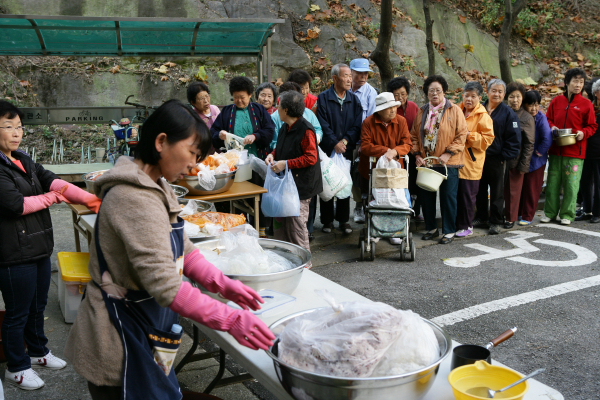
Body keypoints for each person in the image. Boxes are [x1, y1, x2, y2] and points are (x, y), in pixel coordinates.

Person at [65, 100, 274, 399]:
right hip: (117, 342)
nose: (194, 165)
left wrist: (223, 284)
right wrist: (230, 319)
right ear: (161, 142)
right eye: (192, 152)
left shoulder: (156, 185)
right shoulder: (131, 197)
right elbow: (166, 286)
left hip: (143, 329)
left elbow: (184, 248)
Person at [0, 100, 102, 391]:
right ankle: (17, 368)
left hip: (37, 246)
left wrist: (90, 199)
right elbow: (16, 205)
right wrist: (55, 198)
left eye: (19, 126)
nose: (16, 132)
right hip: (12, 253)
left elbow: (52, 181)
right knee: (17, 311)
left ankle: (38, 351)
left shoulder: (23, 159)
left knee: (37, 305)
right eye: (8, 127)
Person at [210, 76, 276, 237]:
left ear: (250, 95)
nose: (239, 101)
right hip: (234, 165)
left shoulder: (258, 110)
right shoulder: (227, 112)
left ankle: (259, 229)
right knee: (235, 197)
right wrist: (220, 134)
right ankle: (237, 228)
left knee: (258, 196)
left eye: (243, 98)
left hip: (255, 162)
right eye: (236, 98)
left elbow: (269, 130)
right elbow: (213, 132)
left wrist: (256, 136)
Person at [411, 75, 468, 244]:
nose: (434, 94)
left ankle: (449, 231)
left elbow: (462, 135)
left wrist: (448, 153)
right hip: (427, 161)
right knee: (426, 196)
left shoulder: (454, 110)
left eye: (438, 90)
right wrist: (417, 155)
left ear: (444, 92)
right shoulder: (422, 111)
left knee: (448, 197)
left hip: (448, 162)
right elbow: (414, 135)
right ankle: (431, 228)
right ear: (427, 93)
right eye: (431, 91)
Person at [265, 91, 323, 251]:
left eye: (279, 105)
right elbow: (281, 146)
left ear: (287, 110)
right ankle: (286, 259)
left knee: (296, 226)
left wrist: (286, 163)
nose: (276, 108)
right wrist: (272, 154)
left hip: (302, 186)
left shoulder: (306, 130)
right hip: (286, 184)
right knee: (282, 223)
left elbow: (311, 157)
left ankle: (304, 264)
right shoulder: (286, 126)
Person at [541, 68, 598, 224]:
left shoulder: (586, 104)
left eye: (581, 82)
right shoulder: (556, 101)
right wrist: (551, 127)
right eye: (575, 81)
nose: (578, 85)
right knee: (552, 184)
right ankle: (550, 213)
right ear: (567, 83)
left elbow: (592, 126)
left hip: (575, 151)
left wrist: (583, 133)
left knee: (571, 185)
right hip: (555, 150)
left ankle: (567, 214)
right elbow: (548, 119)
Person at [359, 92, 412, 244]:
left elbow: (407, 144)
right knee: (376, 199)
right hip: (374, 170)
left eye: (394, 106)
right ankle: (376, 229)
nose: (392, 110)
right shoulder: (368, 122)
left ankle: (395, 230)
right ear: (379, 110)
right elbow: (365, 146)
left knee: (396, 200)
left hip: (396, 171)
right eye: (388, 108)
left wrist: (395, 151)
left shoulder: (401, 121)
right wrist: (386, 151)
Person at [317, 63, 363, 235]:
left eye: (350, 76)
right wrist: (334, 142)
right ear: (335, 78)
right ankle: (327, 221)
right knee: (327, 182)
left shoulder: (354, 100)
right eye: (346, 76)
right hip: (329, 148)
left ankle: (344, 220)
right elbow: (322, 123)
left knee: (344, 182)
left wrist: (344, 141)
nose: (349, 80)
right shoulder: (323, 98)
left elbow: (357, 124)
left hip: (346, 149)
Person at [474, 79, 521, 234]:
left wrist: (505, 156)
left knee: (497, 191)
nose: (497, 94)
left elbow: (514, 139)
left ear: (504, 94)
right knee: (479, 189)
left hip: (497, 158)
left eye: (500, 91)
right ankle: (481, 216)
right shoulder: (478, 108)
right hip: (478, 156)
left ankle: (495, 221)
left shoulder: (508, 113)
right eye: (494, 90)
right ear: (487, 91)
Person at [455, 81, 494, 238]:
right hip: (454, 161)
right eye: (466, 95)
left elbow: (487, 140)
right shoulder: (457, 110)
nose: (469, 99)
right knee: (455, 195)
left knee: (467, 196)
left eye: (473, 96)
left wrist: (469, 135)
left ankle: (466, 225)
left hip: (471, 162)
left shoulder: (483, 116)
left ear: (479, 97)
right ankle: (455, 224)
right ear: (462, 95)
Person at [387, 76, 422, 221]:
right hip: (397, 150)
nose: (400, 97)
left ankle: (415, 211)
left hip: (413, 150)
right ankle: (400, 211)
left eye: (403, 93)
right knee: (399, 182)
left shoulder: (414, 107)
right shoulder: (389, 109)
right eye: (396, 94)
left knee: (415, 180)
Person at [349, 58, 378, 224]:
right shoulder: (345, 90)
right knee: (346, 175)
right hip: (344, 141)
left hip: (361, 143)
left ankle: (360, 205)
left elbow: (371, 121)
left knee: (360, 174)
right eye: (359, 73)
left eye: (365, 73)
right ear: (351, 72)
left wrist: (364, 144)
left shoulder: (370, 93)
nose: (363, 76)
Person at [503, 82, 535, 229]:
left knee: (513, 193)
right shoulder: (502, 112)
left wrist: (523, 165)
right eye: (511, 97)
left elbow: (529, 144)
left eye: (518, 96)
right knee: (500, 190)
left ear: (522, 98)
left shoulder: (527, 118)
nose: (515, 100)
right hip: (501, 159)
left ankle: (511, 218)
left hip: (516, 161)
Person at [518, 90, 553, 225]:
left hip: (536, 159)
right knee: (522, 187)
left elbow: (547, 139)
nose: (534, 108)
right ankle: (519, 213)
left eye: (537, 104)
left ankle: (528, 216)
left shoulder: (540, 118)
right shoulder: (522, 116)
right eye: (531, 105)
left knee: (532, 188)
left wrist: (538, 153)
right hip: (523, 158)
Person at [575, 78, 600, 223]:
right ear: (596, 93)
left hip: (599, 152)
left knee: (598, 183)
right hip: (586, 149)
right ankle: (587, 210)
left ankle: (597, 212)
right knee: (585, 182)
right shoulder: (590, 107)